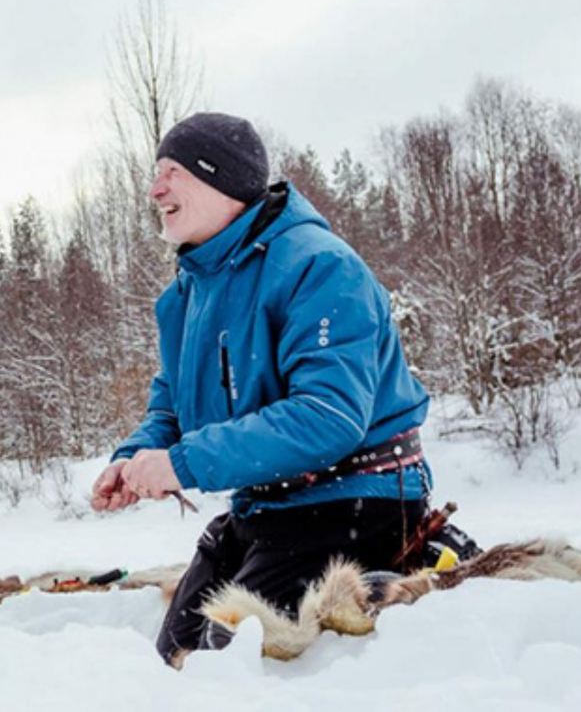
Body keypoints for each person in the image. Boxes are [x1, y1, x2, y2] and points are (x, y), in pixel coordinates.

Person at [89, 112, 433, 664]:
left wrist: (183, 464)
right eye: (157, 173)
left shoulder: (319, 266)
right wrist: (135, 459)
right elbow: (172, 407)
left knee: (228, 668)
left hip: (354, 503)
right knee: (173, 659)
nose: (155, 189)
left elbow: (328, 417)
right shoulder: (187, 295)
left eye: (173, 172)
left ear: (220, 180)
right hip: (264, 509)